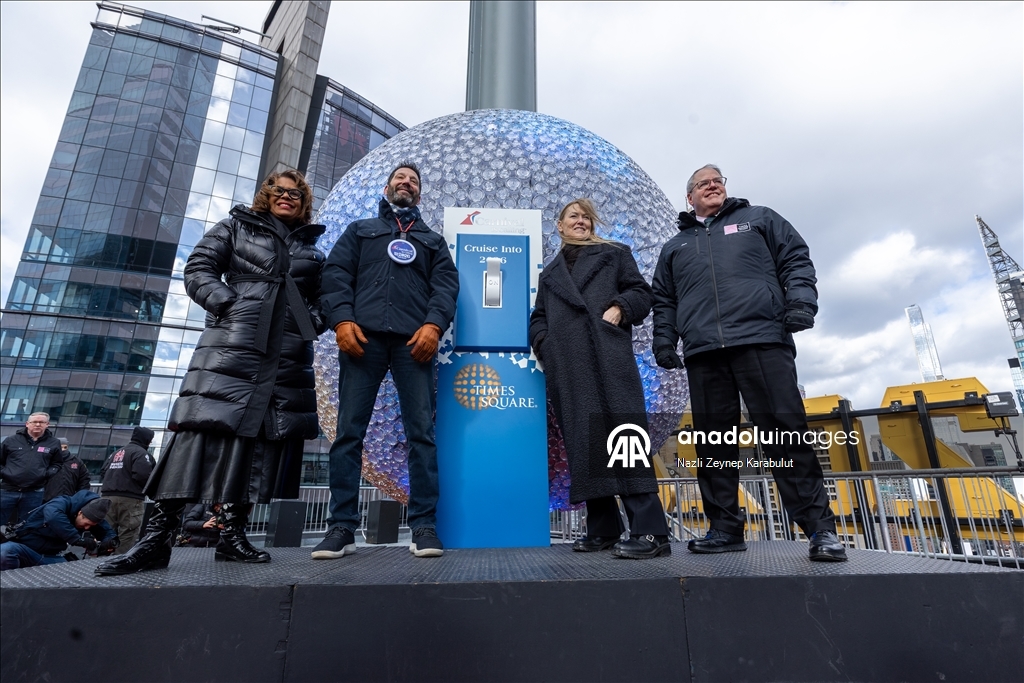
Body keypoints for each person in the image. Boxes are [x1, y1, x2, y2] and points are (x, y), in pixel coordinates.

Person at [96, 170, 326, 576]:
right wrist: (227, 304)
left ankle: (232, 536)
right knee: (201, 428)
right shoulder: (235, 226)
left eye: (295, 193)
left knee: (259, 439)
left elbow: (327, 298)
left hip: (285, 350)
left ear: (303, 202)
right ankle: (155, 540)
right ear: (266, 196)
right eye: (279, 191)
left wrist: (310, 321)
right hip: (234, 340)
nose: (287, 197)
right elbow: (199, 266)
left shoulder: (313, 250)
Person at [651, 164, 847, 562]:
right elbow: (664, 300)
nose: (712, 185)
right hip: (705, 351)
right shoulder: (675, 247)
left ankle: (819, 530)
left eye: (717, 180)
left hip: (762, 340)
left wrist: (800, 303)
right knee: (713, 441)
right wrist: (665, 340)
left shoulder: (760, 219)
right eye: (702, 183)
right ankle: (724, 528)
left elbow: (796, 259)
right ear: (689, 198)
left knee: (783, 434)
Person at [312, 162, 459, 560]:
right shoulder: (361, 230)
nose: (406, 183)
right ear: (387, 186)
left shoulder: (431, 241)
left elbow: (446, 287)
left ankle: (424, 526)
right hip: (363, 340)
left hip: (415, 344)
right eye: (400, 178)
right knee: (348, 435)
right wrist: (341, 319)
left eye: (413, 181)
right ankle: (341, 528)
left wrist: (433, 326)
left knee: (422, 436)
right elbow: (335, 275)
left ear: (420, 194)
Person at [528, 199, 671, 559]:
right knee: (585, 441)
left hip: (607, 358)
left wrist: (621, 307)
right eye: (573, 216)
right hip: (569, 365)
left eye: (586, 217)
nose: (581, 221)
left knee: (624, 438)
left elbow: (642, 293)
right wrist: (547, 344)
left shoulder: (614, 254)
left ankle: (652, 532)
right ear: (559, 226)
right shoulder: (550, 274)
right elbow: (537, 318)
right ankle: (604, 529)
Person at [1, 491, 117, 570]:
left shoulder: (91, 517)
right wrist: (78, 540)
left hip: (53, 557)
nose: (87, 528)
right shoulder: (61, 503)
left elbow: (108, 533)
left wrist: (108, 543)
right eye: (86, 524)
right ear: (80, 513)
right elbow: (53, 516)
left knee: (78, 574)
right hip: (28, 552)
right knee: (5, 550)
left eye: (91, 526)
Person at [1, 412, 62, 529]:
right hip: (7, 490)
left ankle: (20, 546)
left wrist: (45, 474)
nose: (38, 424)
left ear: (47, 424)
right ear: (27, 424)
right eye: (34, 422)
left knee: (27, 526)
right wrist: (5, 473)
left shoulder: (54, 443)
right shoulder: (11, 440)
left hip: (34, 492)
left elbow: (57, 463)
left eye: (42, 422)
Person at [99, 427, 155, 553]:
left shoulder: (116, 453)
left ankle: (97, 561)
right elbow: (143, 475)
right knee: (128, 534)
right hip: (130, 499)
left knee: (105, 532)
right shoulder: (141, 453)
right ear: (146, 439)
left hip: (107, 498)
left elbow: (103, 471)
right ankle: (118, 562)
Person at [43, 438, 92, 502]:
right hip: (48, 501)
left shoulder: (77, 462)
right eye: (60, 447)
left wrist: (79, 498)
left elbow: (84, 480)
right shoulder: (46, 461)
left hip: (69, 501)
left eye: (65, 447)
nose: (63, 450)